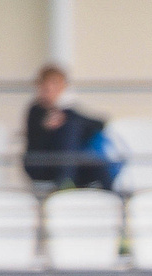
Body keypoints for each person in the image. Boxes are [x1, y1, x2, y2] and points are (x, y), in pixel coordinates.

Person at [23, 64, 111, 192]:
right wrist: (48, 128)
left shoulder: (68, 112)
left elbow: (99, 123)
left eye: (55, 85)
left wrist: (66, 117)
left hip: (71, 165)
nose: (51, 89)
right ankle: (65, 181)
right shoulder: (36, 111)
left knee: (94, 159)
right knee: (70, 128)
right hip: (44, 164)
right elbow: (36, 143)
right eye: (47, 85)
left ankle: (111, 195)